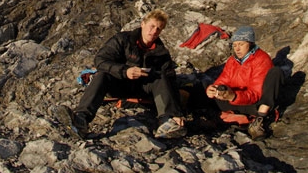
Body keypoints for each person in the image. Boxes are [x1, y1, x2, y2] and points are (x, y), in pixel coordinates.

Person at [56, 9, 187, 139]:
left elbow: (171, 81)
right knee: (102, 75)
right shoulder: (123, 39)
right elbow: (100, 60)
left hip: (143, 89)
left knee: (162, 77)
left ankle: (168, 121)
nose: (153, 31)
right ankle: (81, 119)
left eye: (158, 29)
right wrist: (125, 71)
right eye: (152, 26)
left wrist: (177, 112)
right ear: (143, 24)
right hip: (118, 84)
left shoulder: (162, 53)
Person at [206, 25, 283, 139]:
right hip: (234, 101)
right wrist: (213, 89)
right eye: (235, 45)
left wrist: (234, 96)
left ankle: (259, 120)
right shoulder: (233, 60)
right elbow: (224, 79)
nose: (237, 49)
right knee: (201, 88)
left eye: (241, 44)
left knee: (276, 72)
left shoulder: (261, 60)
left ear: (250, 43)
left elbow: (255, 94)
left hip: (252, 105)